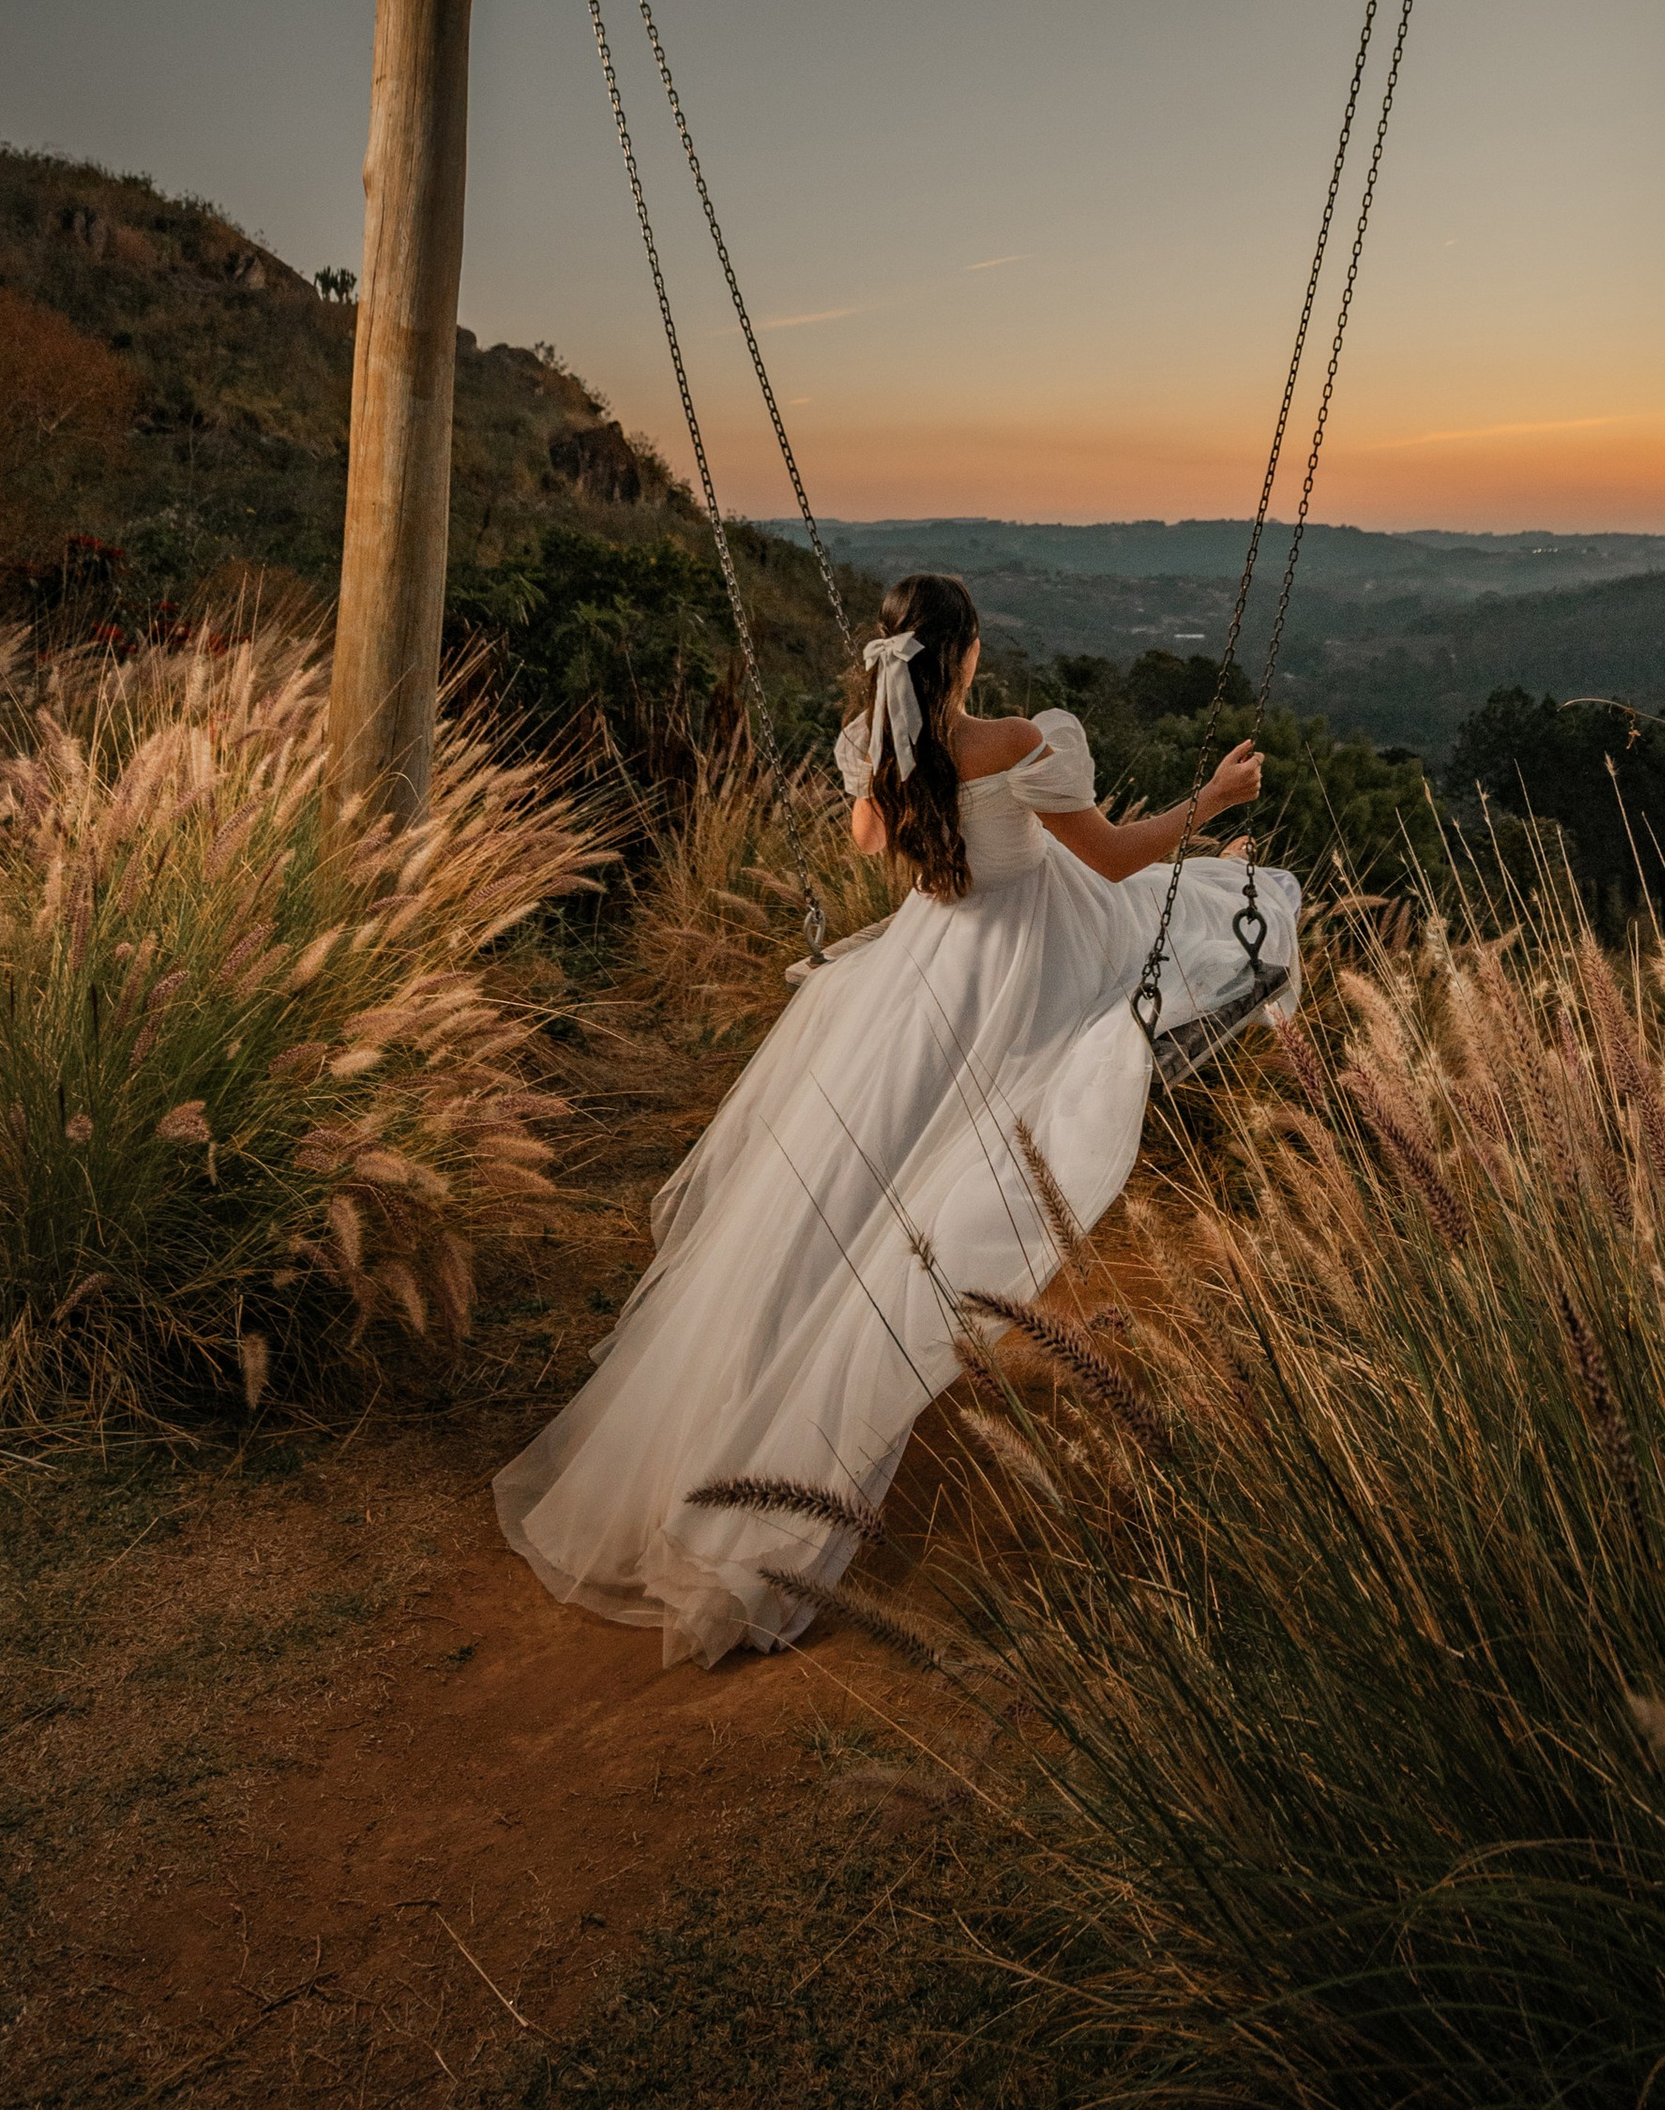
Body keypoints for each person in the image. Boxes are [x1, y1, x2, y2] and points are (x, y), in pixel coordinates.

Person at [494, 568, 1297, 1665]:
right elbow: (1107, 858)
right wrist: (1210, 798)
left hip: (920, 975)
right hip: (1025, 961)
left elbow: (879, 844)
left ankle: (726, 1411)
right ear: (964, 653)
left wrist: (894, 745)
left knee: (840, 1196)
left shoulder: (875, 751)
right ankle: (789, 1451)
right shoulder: (1019, 739)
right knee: (1178, 922)